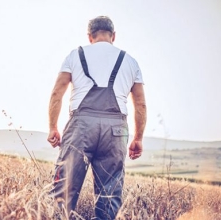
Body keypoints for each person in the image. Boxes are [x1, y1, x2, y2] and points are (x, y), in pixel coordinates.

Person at [47, 16, 146, 219]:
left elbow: (58, 92)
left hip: (81, 127)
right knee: (109, 195)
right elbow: (140, 104)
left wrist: (53, 127)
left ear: (90, 36)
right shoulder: (130, 61)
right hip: (116, 131)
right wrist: (138, 138)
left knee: (64, 190)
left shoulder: (75, 55)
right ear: (113, 36)